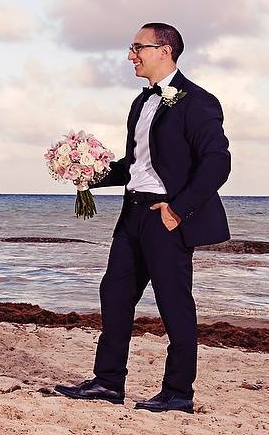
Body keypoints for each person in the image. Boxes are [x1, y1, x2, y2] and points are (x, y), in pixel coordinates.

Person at [55, 22, 231, 413]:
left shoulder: (199, 101)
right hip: (131, 215)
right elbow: (134, 167)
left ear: (164, 50)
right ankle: (107, 382)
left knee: (174, 305)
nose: (130, 55)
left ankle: (179, 393)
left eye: (138, 47)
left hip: (165, 219)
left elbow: (218, 163)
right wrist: (87, 174)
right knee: (114, 296)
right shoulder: (139, 103)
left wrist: (177, 209)